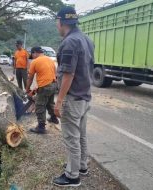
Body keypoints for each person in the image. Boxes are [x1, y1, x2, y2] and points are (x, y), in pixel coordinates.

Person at [52, 6, 95, 187]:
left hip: (72, 98)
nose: (56, 26)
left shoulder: (70, 42)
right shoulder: (87, 40)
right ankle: (81, 166)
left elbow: (68, 74)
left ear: (61, 22)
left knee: (71, 138)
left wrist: (59, 101)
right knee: (81, 135)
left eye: (57, 22)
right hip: (85, 97)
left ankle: (72, 175)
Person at [26, 46, 59, 134]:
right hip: (53, 84)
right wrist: (39, 86)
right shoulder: (50, 60)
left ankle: (41, 127)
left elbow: (30, 78)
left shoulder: (35, 61)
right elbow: (54, 74)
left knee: (40, 105)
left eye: (32, 55)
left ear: (35, 53)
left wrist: (27, 89)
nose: (32, 57)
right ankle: (54, 118)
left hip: (45, 86)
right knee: (50, 103)